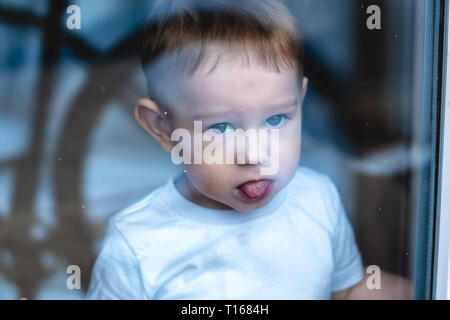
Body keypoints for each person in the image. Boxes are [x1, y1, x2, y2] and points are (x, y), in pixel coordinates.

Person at [86, 0, 413, 299]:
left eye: (276, 119)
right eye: (221, 128)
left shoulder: (318, 200)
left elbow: (345, 291)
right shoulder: (137, 244)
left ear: (300, 101)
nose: (256, 154)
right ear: (164, 128)